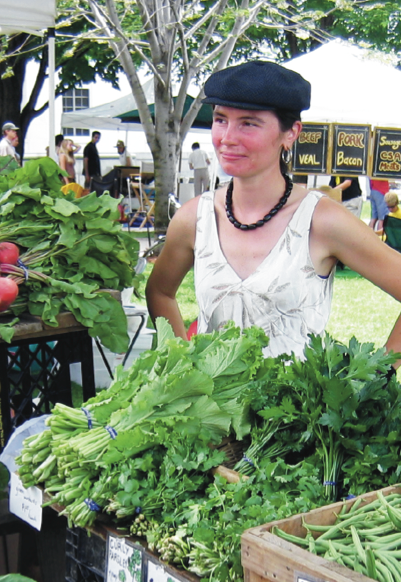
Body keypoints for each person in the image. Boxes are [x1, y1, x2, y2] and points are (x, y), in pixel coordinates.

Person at [146, 60, 401, 371]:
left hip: (299, 415)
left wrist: (375, 378)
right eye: (220, 119)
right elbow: (159, 291)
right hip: (210, 415)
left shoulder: (321, 221)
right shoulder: (194, 218)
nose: (227, 137)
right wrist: (182, 372)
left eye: (249, 123)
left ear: (291, 132)